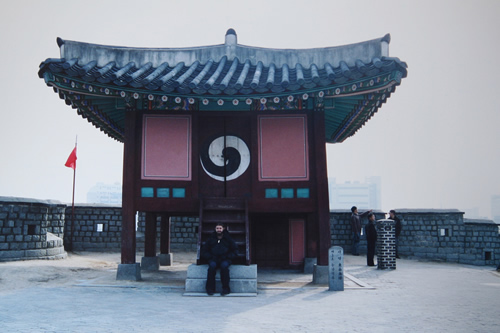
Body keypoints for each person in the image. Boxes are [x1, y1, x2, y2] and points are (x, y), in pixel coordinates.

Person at [201, 223, 238, 295]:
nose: (219, 230)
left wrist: (227, 257)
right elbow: (204, 251)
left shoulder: (228, 239)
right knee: (211, 267)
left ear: (223, 229)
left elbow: (235, 251)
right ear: (215, 229)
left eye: (220, 228)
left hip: (225, 259)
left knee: (224, 267)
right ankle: (210, 289)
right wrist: (210, 257)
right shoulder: (211, 239)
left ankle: (225, 289)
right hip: (213, 259)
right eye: (217, 228)